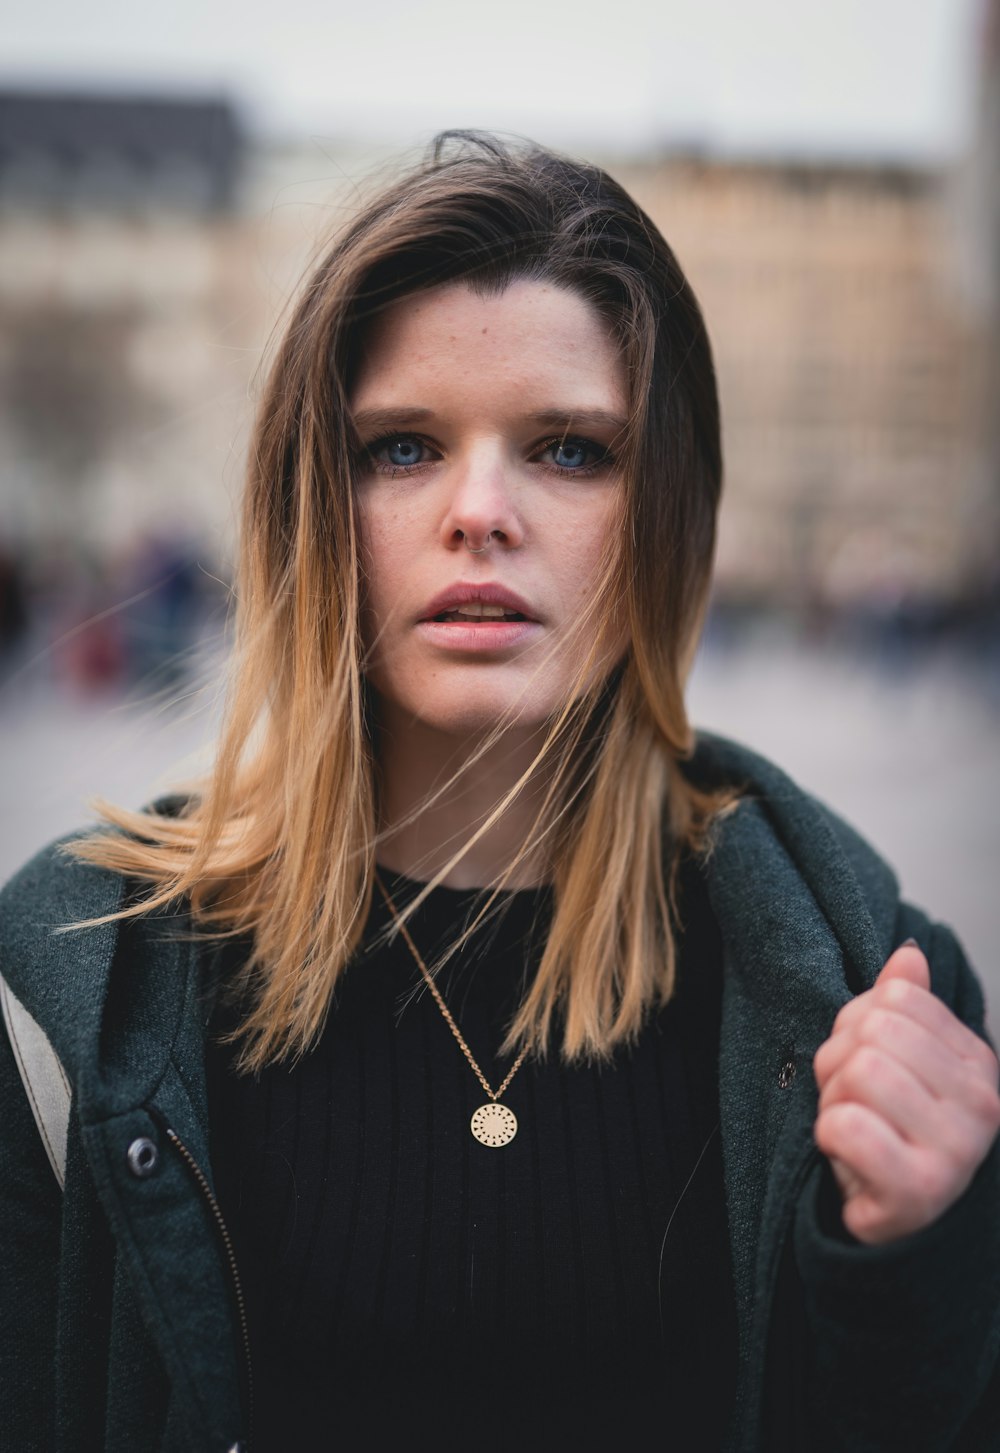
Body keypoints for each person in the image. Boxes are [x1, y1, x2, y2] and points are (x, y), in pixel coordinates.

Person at [1, 131, 998, 1453]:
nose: (482, 509)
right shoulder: (68, 1003)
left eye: (570, 449)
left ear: (666, 511)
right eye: (404, 447)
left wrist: (914, 1274)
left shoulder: (870, 996)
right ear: (315, 499)